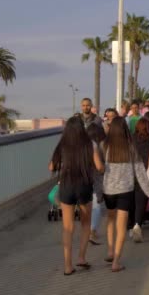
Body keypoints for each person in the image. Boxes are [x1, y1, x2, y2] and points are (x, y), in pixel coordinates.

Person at [49, 115, 104, 275]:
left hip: (66, 186)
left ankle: (67, 265)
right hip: (84, 186)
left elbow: (51, 167)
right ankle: (81, 257)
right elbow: (99, 166)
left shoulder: (62, 145)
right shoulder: (90, 144)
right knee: (86, 223)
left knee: (67, 227)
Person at [103, 116, 149, 272]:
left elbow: (99, 168)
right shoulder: (130, 147)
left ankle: (110, 251)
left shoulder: (105, 146)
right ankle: (116, 262)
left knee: (110, 220)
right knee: (121, 227)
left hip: (108, 190)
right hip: (125, 191)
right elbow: (140, 172)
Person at [129, 117, 149, 242]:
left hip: (131, 172)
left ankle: (130, 224)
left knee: (131, 200)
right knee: (141, 202)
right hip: (146, 173)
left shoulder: (132, 139)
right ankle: (137, 224)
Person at [87, 122, 107, 245]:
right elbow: (101, 166)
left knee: (88, 205)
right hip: (97, 178)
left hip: (84, 178)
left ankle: (89, 230)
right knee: (96, 205)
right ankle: (92, 230)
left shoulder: (83, 145)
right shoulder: (101, 146)